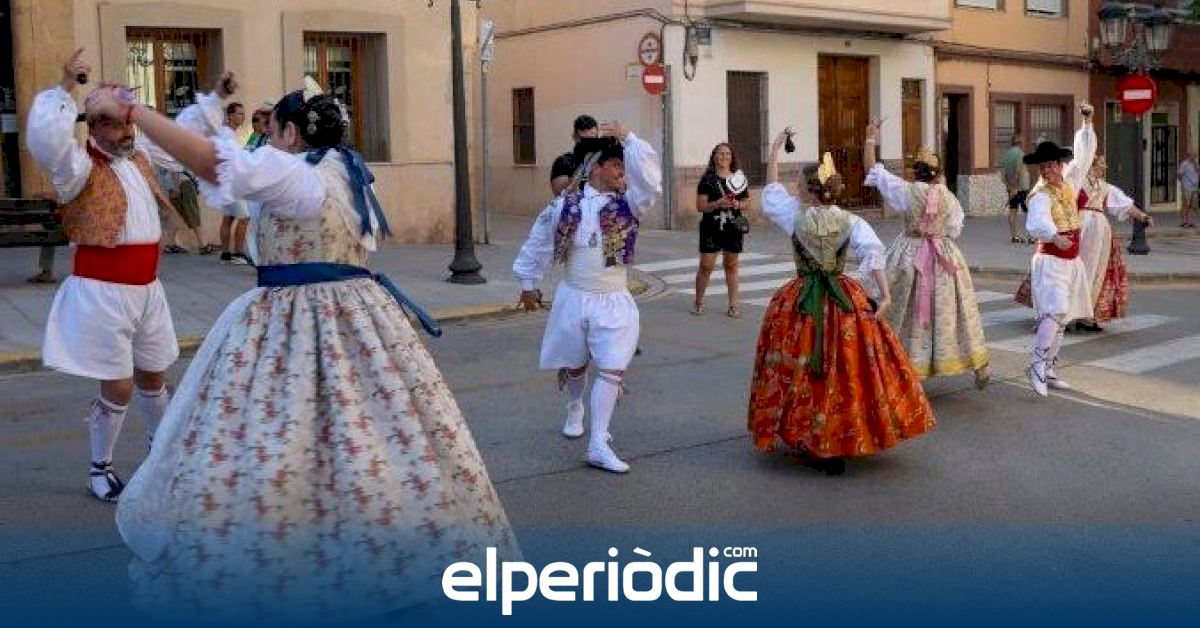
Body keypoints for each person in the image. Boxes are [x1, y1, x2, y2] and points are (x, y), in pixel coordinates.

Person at [104, 75, 518, 620]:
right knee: (373, 440)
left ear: (293, 135)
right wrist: (209, 106)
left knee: (275, 444)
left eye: (273, 132)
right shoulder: (344, 171)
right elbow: (210, 157)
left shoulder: (298, 175)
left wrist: (134, 112)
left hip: (294, 321)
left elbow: (214, 164)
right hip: (359, 318)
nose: (267, 142)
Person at [24, 49, 179, 502]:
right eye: (112, 123)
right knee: (119, 383)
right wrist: (66, 87)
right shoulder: (76, 167)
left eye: (128, 122)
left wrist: (214, 102)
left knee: (154, 376)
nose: (125, 131)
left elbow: (183, 142)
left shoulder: (139, 158)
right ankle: (101, 467)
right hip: (104, 291)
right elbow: (47, 140)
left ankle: (160, 455)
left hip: (148, 288)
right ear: (91, 127)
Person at [748, 130, 935, 476]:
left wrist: (774, 150)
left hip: (802, 298)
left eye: (800, 186)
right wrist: (884, 294)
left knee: (802, 367)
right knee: (845, 367)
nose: (796, 190)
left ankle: (807, 431)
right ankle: (841, 433)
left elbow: (771, 192)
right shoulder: (851, 221)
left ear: (810, 191)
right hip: (842, 297)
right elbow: (873, 253)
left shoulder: (795, 215)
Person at [513, 121, 662, 474]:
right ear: (596, 168)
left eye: (624, 165)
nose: (622, 172)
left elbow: (651, 182)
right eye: (616, 165)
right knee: (576, 363)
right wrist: (529, 283)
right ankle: (575, 404)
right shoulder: (564, 206)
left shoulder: (630, 203)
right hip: (575, 296)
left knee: (612, 367)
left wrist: (629, 138)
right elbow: (539, 241)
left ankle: (598, 442)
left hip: (613, 298)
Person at [862, 122, 990, 388]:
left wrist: (870, 138)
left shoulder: (905, 190)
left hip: (910, 252)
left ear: (915, 173)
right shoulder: (949, 197)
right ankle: (977, 365)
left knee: (904, 309)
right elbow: (955, 228)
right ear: (938, 174)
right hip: (943, 254)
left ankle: (910, 366)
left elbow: (872, 170)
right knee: (953, 310)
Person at [1017, 156, 1153, 331]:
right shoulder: (1074, 182)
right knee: (1067, 272)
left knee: (1093, 273)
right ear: (1090, 165)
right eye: (1101, 163)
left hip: (1098, 237)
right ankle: (1059, 315)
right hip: (1076, 230)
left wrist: (1143, 216)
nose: (1105, 166)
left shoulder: (1105, 187)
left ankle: (1085, 316)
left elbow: (1124, 205)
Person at [1020, 104, 1097, 397]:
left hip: (1070, 260)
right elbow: (1036, 223)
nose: (1048, 171)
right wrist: (1054, 236)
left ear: (1059, 165)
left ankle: (1049, 367)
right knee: (1054, 312)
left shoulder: (1069, 183)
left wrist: (1087, 123)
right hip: (1051, 260)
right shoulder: (1039, 195)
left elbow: (1084, 157)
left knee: (1063, 316)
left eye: (1051, 165)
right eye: (1043, 167)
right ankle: (1036, 365)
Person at [691, 142, 751, 318]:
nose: (724, 156)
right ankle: (698, 301)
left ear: (732, 158)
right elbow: (700, 206)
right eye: (720, 153)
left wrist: (736, 204)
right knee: (706, 265)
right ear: (714, 157)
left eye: (727, 153)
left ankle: (733, 305)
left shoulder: (739, 179)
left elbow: (747, 202)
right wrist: (717, 204)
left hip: (733, 226)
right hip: (711, 227)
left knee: (731, 265)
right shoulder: (707, 180)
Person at [217, 101, 251, 265]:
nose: (243, 117)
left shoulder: (228, 133)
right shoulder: (227, 134)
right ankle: (238, 253)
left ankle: (225, 253)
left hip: (226, 181)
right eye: (239, 113)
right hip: (231, 181)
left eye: (243, 113)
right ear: (230, 115)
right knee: (244, 217)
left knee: (228, 217)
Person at [549, 114, 599, 196]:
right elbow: (561, 193)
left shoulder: (600, 161)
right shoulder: (564, 162)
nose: (588, 144)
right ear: (574, 137)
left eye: (592, 140)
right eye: (584, 140)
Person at [1000, 132, 1033, 243]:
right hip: (1021, 187)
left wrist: (1009, 186)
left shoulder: (1006, 154)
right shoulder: (1020, 154)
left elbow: (1003, 172)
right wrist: (1015, 186)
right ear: (1020, 142)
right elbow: (1018, 170)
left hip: (1011, 187)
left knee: (1013, 210)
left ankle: (1014, 235)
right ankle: (1030, 236)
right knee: (1027, 210)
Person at [1179, 148, 1197, 228]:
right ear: (1189, 155)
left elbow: (1197, 173)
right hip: (1186, 187)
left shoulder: (1195, 164)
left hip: (1194, 188)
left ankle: (1191, 222)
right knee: (1186, 205)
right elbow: (1179, 174)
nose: (1194, 157)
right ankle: (1184, 222)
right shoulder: (1184, 164)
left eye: (1195, 155)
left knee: (1192, 205)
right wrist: (1183, 183)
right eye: (1193, 155)